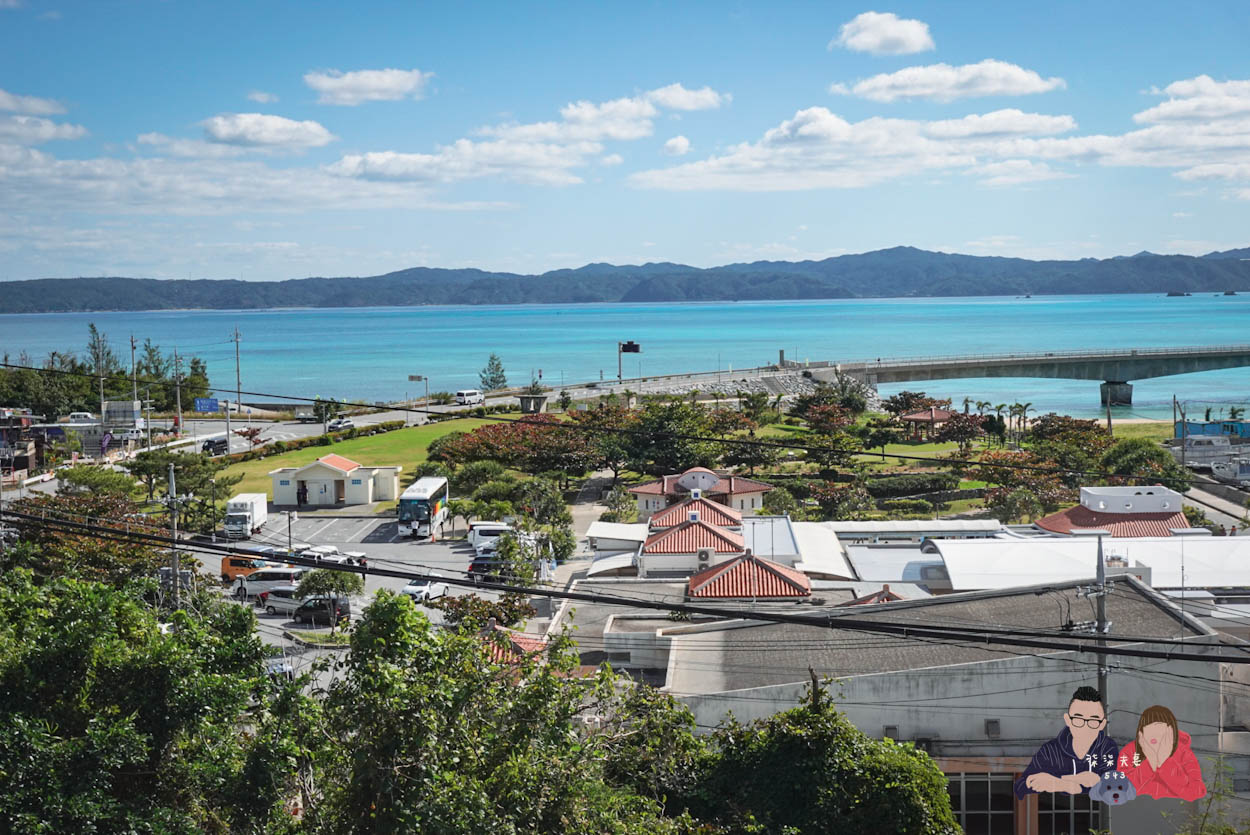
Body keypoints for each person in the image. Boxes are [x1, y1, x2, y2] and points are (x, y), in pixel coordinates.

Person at [1015, 686, 1119, 797]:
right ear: (1068, 720)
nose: (1085, 727)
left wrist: (1057, 782)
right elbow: (1020, 787)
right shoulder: (1051, 750)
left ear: (1102, 724)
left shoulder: (1107, 748)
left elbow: (1112, 787)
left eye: (1093, 721)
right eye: (1078, 719)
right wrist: (1067, 784)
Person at [1118, 705, 1206, 801]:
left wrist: (1165, 762)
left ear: (1170, 730)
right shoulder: (1129, 752)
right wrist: (1150, 762)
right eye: (1148, 728)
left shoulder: (1184, 753)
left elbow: (1196, 792)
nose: (1153, 733)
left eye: (1158, 727)